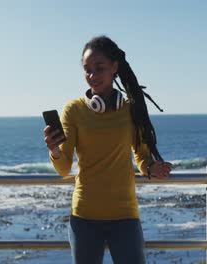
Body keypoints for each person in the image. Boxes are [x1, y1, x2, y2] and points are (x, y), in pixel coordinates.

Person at [43, 35, 172, 264]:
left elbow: (141, 156)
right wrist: (54, 150)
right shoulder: (74, 110)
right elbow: (63, 169)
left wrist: (152, 167)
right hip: (84, 217)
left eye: (99, 68)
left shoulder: (131, 109)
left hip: (125, 215)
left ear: (114, 67)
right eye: (87, 70)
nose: (92, 76)